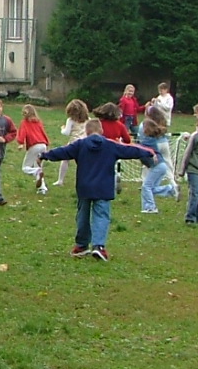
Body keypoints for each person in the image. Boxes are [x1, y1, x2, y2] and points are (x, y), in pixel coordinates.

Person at [39, 120, 156, 261]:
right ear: (101, 131)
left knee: (82, 215)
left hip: (84, 187)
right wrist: (148, 152)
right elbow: (130, 149)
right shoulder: (111, 145)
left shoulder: (79, 145)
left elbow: (62, 152)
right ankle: (99, 246)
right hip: (103, 188)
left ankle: (81, 246)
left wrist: (45, 155)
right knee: (101, 215)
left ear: (87, 132)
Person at [138, 105, 177, 214]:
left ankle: (150, 207)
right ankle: (171, 189)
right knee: (151, 188)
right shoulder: (152, 136)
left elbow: (142, 149)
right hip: (161, 165)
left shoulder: (147, 140)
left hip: (157, 166)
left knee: (146, 186)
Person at [54, 99, 89, 187]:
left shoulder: (70, 120)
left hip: (73, 144)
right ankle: (85, 180)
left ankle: (60, 180)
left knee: (65, 160)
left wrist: (62, 129)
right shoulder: (88, 120)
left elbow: (66, 133)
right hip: (84, 144)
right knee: (82, 164)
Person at [17, 104, 51, 194]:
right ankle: (42, 189)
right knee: (39, 166)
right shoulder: (38, 122)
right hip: (43, 145)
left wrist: (21, 143)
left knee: (25, 168)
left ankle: (36, 172)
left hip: (34, 146)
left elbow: (22, 134)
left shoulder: (25, 122)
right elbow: (43, 132)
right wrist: (47, 143)